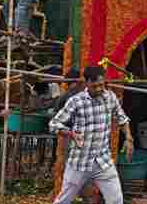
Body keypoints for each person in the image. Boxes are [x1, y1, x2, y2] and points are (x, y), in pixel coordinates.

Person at [50, 66, 133, 204]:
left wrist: (129, 139)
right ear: (86, 83)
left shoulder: (110, 97)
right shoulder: (76, 101)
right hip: (79, 161)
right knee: (64, 200)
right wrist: (70, 133)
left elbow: (122, 119)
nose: (100, 89)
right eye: (95, 86)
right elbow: (54, 124)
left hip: (103, 161)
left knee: (116, 200)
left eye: (101, 85)